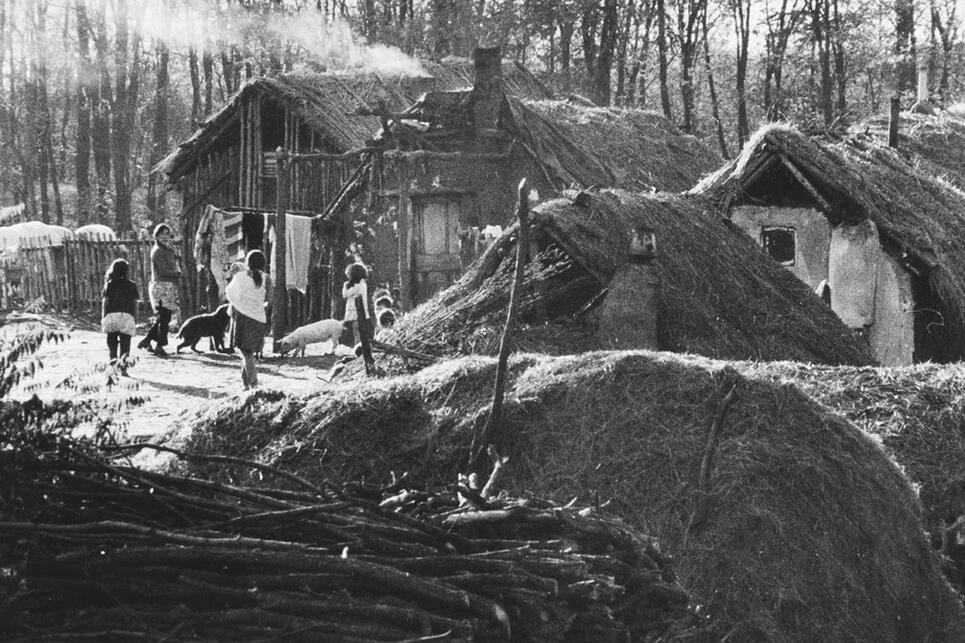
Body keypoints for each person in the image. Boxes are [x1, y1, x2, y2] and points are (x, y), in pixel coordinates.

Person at [225, 250, 272, 389]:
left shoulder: (240, 276)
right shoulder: (267, 278)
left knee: (247, 355)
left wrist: (242, 305)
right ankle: (246, 385)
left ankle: (253, 384)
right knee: (246, 353)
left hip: (242, 318)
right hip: (257, 319)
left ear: (248, 263)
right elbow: (270, 301)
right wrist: (259, 309)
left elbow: (229, 294)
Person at [140, 223, 181, 355]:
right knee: (164, 318)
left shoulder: (168, 249)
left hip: (168, 286)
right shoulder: (157, 251)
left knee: (163, 318)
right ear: (156, 236)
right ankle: (159, 346)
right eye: (162, 234)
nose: (165, 237)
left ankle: (147, 340)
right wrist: (177, 274)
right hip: (160, 286)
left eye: (167, 234)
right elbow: (163, 271)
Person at [101, 258, 138, 374]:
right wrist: (135, 318)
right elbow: (135, 304)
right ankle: (124, 368)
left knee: (111, 341)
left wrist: (103, 316)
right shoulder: (132, 285)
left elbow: (105, 302)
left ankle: (113, 364)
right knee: (125, 343)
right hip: (127, 316)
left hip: (112, 315)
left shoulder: (109, 284)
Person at [342, 262, 375, 374]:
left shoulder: (360, 285)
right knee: (357, 332)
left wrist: (346, 285)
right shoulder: (355, 284)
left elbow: (348, 295)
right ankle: (358, 354)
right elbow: (346, 294)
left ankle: (359, 354)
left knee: (359, 333)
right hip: (356, 312)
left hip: (359, 313)